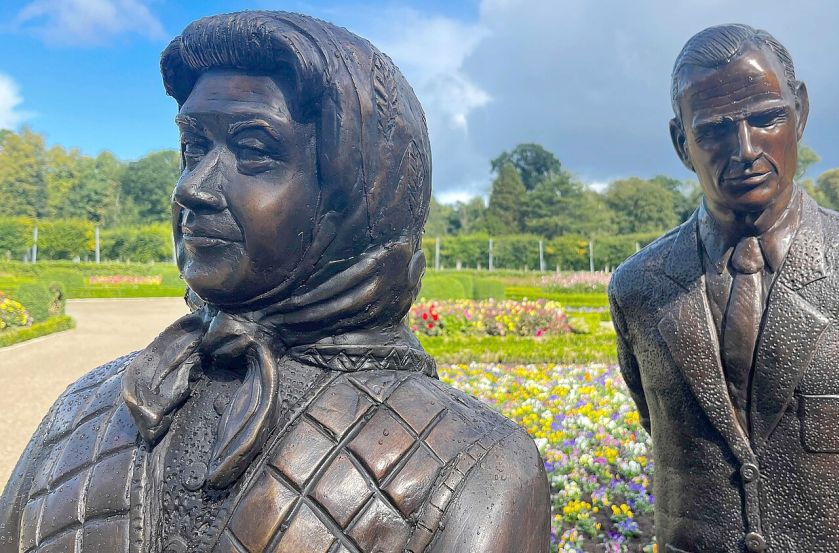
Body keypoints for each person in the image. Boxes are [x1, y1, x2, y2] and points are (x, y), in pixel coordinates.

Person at [0, 11, 550, 553]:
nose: (192, 188)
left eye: (254, 151)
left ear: (357, 193)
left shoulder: (474, 463)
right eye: (193, 149)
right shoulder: (84, 409)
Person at [608, 24, 839, 552]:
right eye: (715, 130)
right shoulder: (638, 288)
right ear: (682, 143)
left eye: (767, 117)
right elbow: (656, 418)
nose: (745, 148)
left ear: (801, 112)